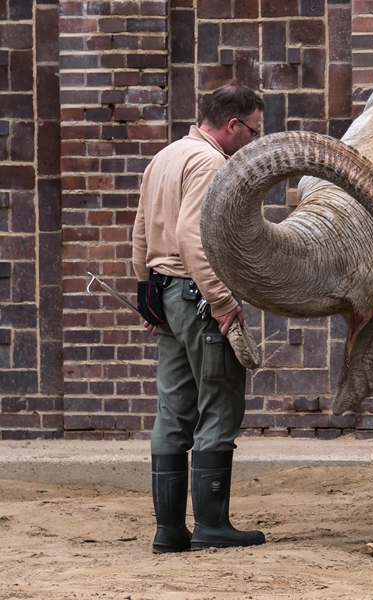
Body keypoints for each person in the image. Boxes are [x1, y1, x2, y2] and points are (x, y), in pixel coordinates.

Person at [132, 83, 266, 553]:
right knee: (220, 404)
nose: (253, 140)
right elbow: (193, 237)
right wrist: (224, 303)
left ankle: (169, 532)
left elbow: (140, 231)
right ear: (232, 126)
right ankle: (212, 526)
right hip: (198, 300)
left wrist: (147, 295)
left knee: (172, 411)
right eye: (252, 131)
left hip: (167, 296)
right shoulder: (210, 163)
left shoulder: (165, 156)